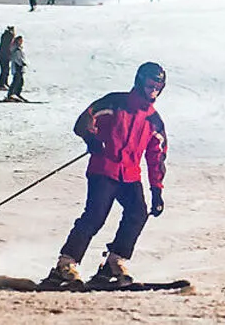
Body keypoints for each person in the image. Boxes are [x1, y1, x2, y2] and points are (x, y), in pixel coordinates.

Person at [44, 63, 169, 288]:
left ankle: (114, 263)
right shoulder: (115, 103)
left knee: (138, 213)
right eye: (151, 84)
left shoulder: (154, 121)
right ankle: (65, 265)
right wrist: (92, 138)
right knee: (95, 216)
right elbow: (84, 120)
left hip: (130, 175)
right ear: (140, 81)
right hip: (104, 169)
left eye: (158, 86)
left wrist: (157, 189)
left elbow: (156, 157)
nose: (154, 90)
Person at [0, 26, 16, 90]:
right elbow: (8, 46)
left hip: (3, 55)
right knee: (4, 70)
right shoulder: (9, 36)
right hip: (3, 55)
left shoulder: (6, 35)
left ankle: (4, 83)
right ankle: (1, 84)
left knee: (6, 70)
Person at [5, 35, 26, 101]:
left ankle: (17, 93)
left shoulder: (18, 48)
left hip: (20, 67)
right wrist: (21, 63)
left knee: (20, 81)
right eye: (20, 40)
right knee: (16, 81)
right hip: (17, 67)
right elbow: (16, 58)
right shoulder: (15, 49)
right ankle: (11, 94)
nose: (21, 42)